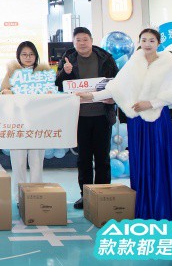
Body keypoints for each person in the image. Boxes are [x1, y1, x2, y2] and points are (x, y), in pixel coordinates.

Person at [79, 29, 172, 220]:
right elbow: (115, 88)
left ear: (158, 43)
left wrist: (151, 103)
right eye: (144, 40)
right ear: (139, 42)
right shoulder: (134, 62)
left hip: (158, 121)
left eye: (151, 40)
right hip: (137, 122)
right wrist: (90, 96)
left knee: (159, 162)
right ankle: (143, 209)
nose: (147, 44)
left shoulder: (168, 64)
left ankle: (162, 209)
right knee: (141, 163)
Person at [56, 26, 119, 209]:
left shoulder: (105, 58)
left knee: (102, 158)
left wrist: (113, 98)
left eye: (85, 39)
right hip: (79, 117)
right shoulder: (68, 59)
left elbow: (117, 83)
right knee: (83, 159)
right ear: (73, 42)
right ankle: (86, 195)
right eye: (78, 40)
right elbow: (59, 85)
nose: (82, 43)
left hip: (102, 115)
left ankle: (102, 194)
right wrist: (65, 72)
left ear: (91, 40)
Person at [0, 41, 51, 191]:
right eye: (24, 54)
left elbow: (51, 94)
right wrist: (9, 93)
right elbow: (2, 92)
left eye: (31, 54)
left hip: (38, 123)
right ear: (19, 56)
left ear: (36, 56)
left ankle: (36, 193)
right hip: (17, 124)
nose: (28, 57)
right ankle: (19, 195)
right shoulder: (11, 72)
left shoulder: (43, 73)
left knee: (37, 162)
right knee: (18, 162)